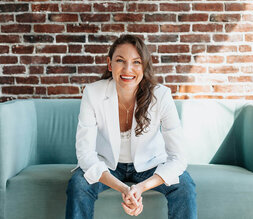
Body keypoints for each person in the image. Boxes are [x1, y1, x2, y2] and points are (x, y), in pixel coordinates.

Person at [66, 34, 197, 218]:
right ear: (110, 64)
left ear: (144, 66)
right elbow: (85, 154)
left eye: (136, 62)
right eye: (120, 60)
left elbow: (178, 158)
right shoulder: (93, 93)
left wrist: (141, 187)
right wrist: (123, 189)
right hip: (107, 165)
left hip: (150, 165)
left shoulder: (161, 96)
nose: (128, 69)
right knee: (78, 184)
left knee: (184, 185)